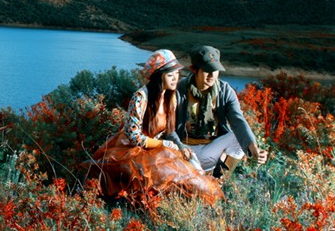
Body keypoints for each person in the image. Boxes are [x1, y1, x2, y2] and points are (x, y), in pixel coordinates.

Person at [85, 49, 222, 203]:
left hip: (156, 147)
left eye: (177, 74)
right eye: (170, 75)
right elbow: (133, 135)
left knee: (191, 165)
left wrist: (180, 146)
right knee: (163, 175)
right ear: (158, 77)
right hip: (131, 149)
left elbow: (169, 131)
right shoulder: (140, 97)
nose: (175, 79)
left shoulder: (171, 97)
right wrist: (162, 143)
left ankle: (207, 195)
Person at [175, 45, 268, 178]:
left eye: (216, 70)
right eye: (207, 70)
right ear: (194, 69)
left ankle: (220, 182)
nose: (212, 75)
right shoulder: (180, 89)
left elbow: (238, 120)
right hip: (183, 150)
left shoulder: (225, 91)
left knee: (237, 137)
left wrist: (254, 149)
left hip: (210, 150)